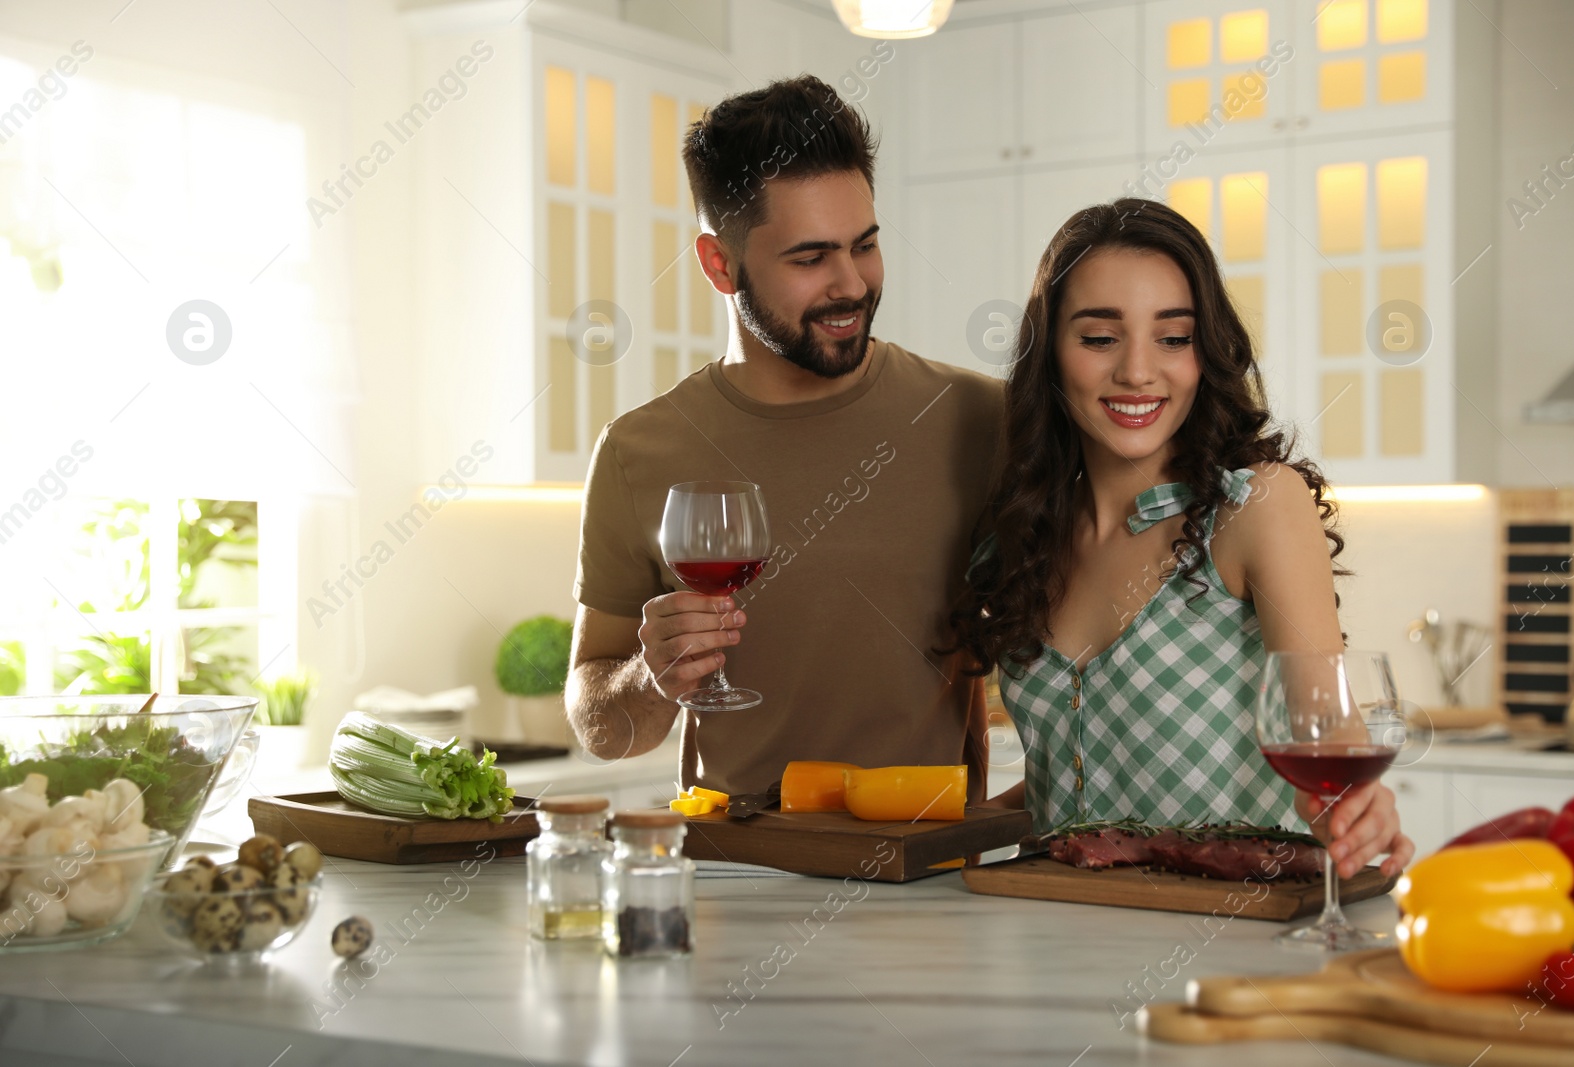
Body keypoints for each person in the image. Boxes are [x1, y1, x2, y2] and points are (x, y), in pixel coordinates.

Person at [565, 75, 1003, 798]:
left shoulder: (979, 418)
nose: (852, 283)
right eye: (810, 258)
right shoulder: (634, 452)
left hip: (928, 871)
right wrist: (652, 677)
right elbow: (602, 728)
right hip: (732, 877)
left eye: (864, 245)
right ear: (720, 264)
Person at [950, 198, 1413, 880]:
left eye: (1173, 337)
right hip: (1048, 933)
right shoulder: (1019, 536)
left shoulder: (1254, 505)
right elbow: (1077, 792)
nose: (1139, 372)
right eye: (1100, 337)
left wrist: (1356, 808)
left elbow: (1327, 737)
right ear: (1050, 353)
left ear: (1207, 353)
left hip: (1230, 942)